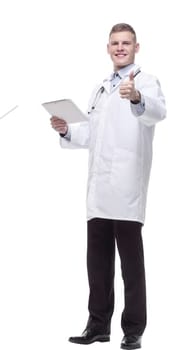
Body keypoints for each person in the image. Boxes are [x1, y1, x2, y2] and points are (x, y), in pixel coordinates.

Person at [51, 23, 165, 350]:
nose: (120, 48)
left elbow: (157, 112)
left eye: (126, 43)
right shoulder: (100, 88)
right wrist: (65, 130)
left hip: (127, 187)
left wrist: (138, 97)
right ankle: (98, 325)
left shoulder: (146, 82)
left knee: (131, 265)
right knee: (97, 263)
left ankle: (133, 330)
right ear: (108, 48)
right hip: (99, 190)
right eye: (115, 43)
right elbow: (92, 134)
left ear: (136, 47)